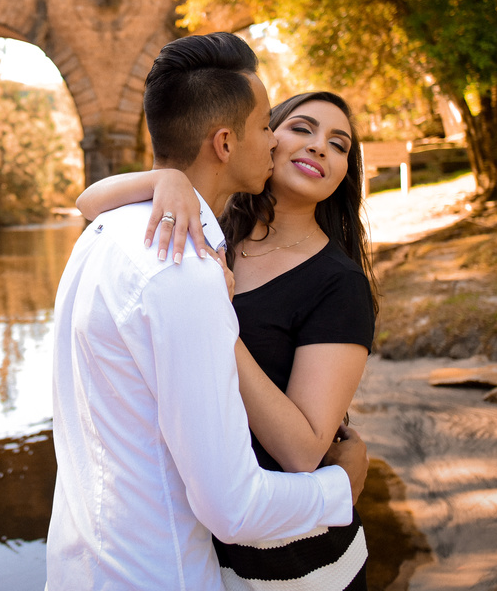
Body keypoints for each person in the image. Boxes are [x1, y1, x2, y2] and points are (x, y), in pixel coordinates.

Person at [47, 34, 368, 591]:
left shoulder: (131, 240)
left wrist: (223, 320)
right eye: (284, 126)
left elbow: (297, 451)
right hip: (196, 556)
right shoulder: (192, 244)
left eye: (339, 143)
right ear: (227, 141)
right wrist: (166, 179)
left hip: (294, 563)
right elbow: (231, 505)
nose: (312, 147)